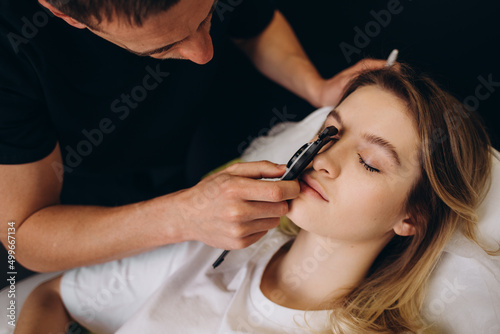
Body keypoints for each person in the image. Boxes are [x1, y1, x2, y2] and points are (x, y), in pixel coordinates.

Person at [14, 65, 495, 333]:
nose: (323, 160)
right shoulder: (209, 249)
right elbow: (50, 295)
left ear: (413, 216)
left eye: (370, 161)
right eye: (330, 133)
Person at [0, 0, 387, 278]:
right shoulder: (10, 49)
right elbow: (23, 237)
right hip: (79, 202)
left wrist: (315, 88)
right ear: (60, 11)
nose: (204, 54)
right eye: (165, 47)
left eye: (208, 15)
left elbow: (252, 21)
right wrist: (181, 217)